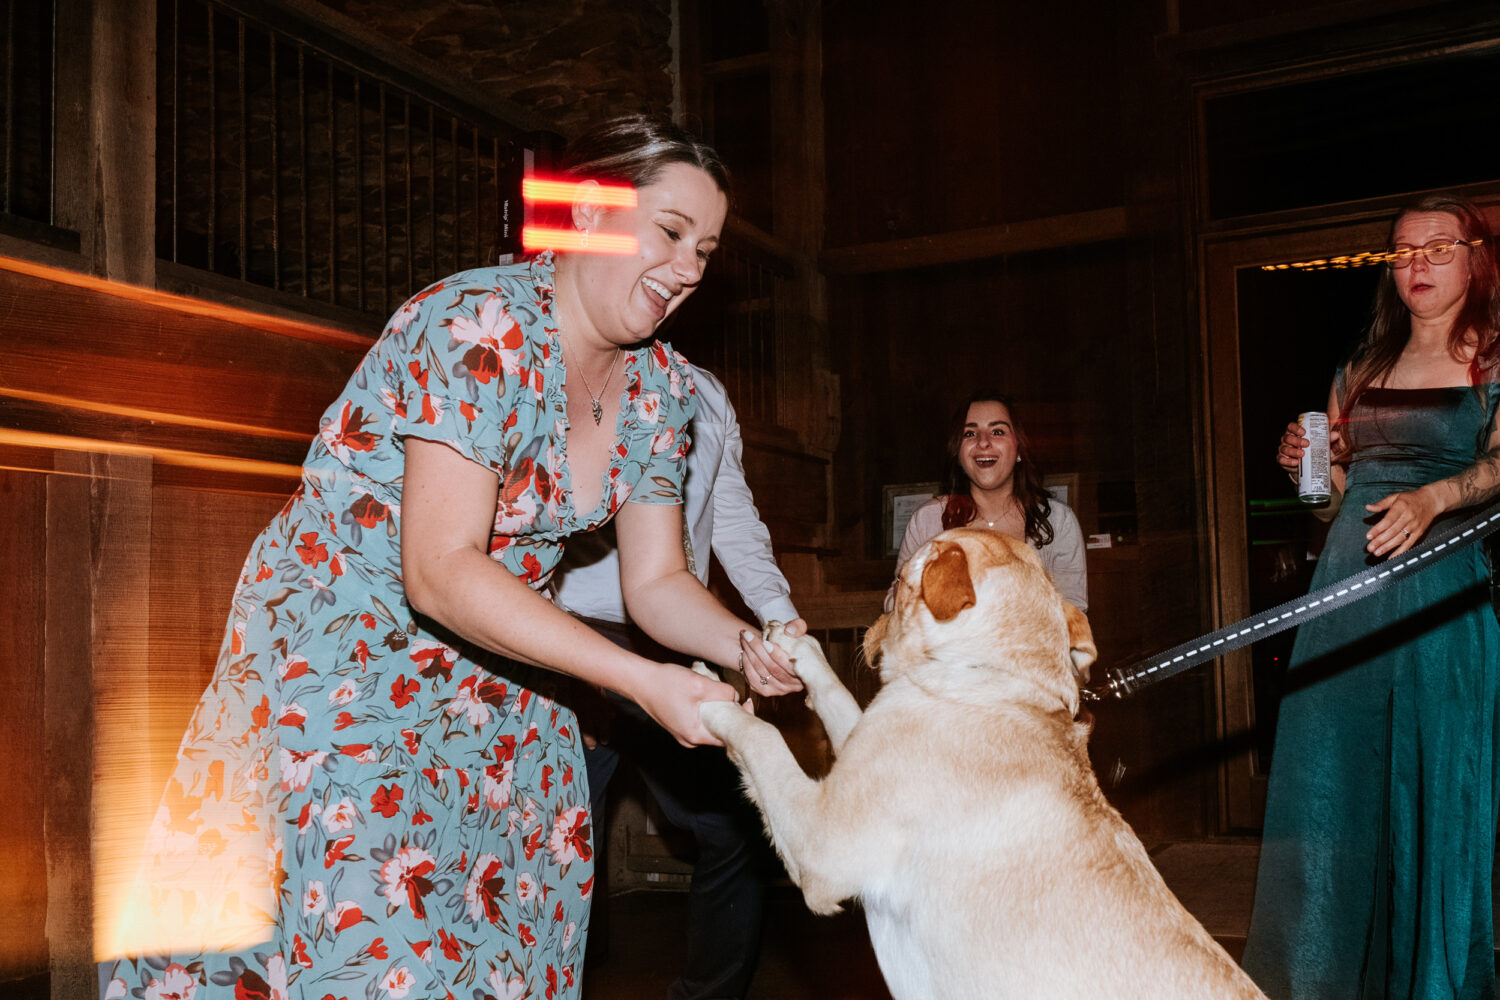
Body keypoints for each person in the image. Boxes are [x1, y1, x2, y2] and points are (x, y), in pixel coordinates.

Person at [97, 114, 804, 1000]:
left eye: (705, 249)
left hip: (494, 667)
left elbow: (658, 581)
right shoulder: (476, 326)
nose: (689, 269)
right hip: (347, 658)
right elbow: (437, 567)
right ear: (587, 214)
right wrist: (640, 682)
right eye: (670, 232)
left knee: (512, 927)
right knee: (376, 947)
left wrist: (745, 645)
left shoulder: (662, 389)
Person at [1242, 194, 1500, 999]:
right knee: (1332, 792)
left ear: (1474, 257)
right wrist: (1305, 473)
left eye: (1437, 247)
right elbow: (1329, 503)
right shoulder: (1358, 371)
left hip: (1439, 604)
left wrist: (1436, 498)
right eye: (1402, 251)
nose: (1416, 263)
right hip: (1343, 601)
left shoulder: (1492, 360)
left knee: (1433, 795)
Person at [550, 363, 801, 1000]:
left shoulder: (709, 391)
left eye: (699, 254)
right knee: (564, 843)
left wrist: (776, 614)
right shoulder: (575, 364)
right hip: (571, 631)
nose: (680, 273)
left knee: (739, 824)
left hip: (675, 629)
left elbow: (735, 517)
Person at [887, 389, 1087, 612]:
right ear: (958, 453)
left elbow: (1073, 614)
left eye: (998, 431)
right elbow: (893, 606)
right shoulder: (928, 520)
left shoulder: (1059, 522)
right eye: (970, 434)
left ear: (1019, 447)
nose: (983, 442)